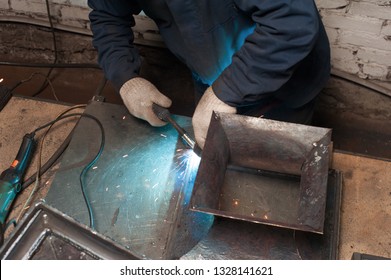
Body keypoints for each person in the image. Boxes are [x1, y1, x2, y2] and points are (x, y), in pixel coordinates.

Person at [88, 0, 330, 149]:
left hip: (283, 81)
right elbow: (108, 14)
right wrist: (126, 78)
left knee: (279, 170)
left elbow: (291, 22)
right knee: (213, 158)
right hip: (209, 74)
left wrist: (228, 91)